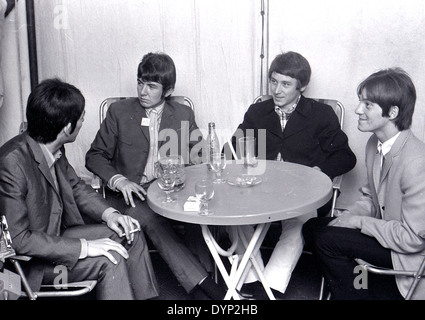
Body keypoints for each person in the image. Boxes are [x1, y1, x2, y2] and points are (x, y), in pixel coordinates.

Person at [0, 78, 159, 300]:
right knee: (109, 258)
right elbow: (19, 240)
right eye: (82, 117)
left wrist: (111, 214)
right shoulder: (12, 162)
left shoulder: (52, 146)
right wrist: (83, 247)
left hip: (57, 233)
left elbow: (75, 187)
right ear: (67, 127)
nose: (83, 120)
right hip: (33, 265)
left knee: (129, 230)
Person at [86, 52, 224, 300]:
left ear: (167, 90)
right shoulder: (119, 111)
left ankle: (205, 282)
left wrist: (187, 163)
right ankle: (207, 287)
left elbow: (200, 154)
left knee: (199, 210)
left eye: (151, 86)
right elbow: (94, 155)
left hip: (169, 190)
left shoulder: (182, 114)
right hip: (130, 195)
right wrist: (120, 180)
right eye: (140, 82)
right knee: (148, 217)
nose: (143, 91)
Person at [224, 51, 356, 298]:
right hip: (260, 188)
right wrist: (238, 155)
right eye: (273, 81)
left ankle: (270, 286)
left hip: (301, 193)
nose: (277, 90)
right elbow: (234, 147)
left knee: (301, 221)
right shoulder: (257, 112)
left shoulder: (321, 115)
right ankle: (252, 278)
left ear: (302, 86)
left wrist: (321, 171)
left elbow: (346, 156)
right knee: (233, 216)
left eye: (286, 84)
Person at [303, 68, 425, 300]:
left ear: (393, 112)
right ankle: (361, 288)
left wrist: (357, 222)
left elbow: (413, 240)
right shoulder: (374, 143)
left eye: (367, 104)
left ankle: (358, 294)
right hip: (385, 234)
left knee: (328, 240)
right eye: (361, 102)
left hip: (408, 253)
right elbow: (372, 197)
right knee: (313, 227)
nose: (358, 110)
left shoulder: (417, 162)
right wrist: (347, 217)